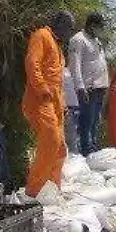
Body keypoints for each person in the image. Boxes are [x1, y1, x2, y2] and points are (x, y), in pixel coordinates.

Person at [21, 11, 72, 196]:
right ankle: (33, 191)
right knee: (51, 140)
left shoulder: (57, 45)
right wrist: (42, 88)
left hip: (54, 102)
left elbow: (57, 81)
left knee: (60, 149)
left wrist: (63, 104)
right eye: (67, 27)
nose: (68, 31)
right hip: (39, 99)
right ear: (58, 24)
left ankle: (51, 189)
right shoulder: (42, 36)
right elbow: (32, 63)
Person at [70, 12, 112, 152]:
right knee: (86, 122)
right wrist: (80, 88)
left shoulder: (96, 41)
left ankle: (92, 148)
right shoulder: (78, 40)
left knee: (94, 122)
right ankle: (86, 150)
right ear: (92, 25)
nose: (101, 30)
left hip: (100, 88)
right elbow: (74, 66)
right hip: (89, 88)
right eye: (100, 27)